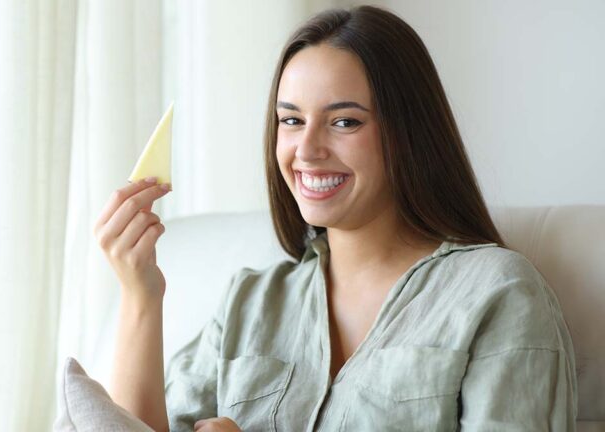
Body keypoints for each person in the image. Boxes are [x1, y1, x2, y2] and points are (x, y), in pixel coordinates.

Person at [93, 5, 578, 432]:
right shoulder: (250, 303)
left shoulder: (497, 293)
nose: (306, 150)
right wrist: (140, 296)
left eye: (344, 121)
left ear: (408, 133)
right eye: (291, 120)